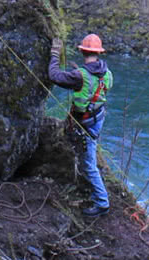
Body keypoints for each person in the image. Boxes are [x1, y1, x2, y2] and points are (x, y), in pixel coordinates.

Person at [49, 33, 113, 217]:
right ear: (99, 53)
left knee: (88, 163)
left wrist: (54, 54)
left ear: (82, 50)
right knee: (84, 150)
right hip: (97, 118)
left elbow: (54, 75)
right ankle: (85, 182)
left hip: (84, 122)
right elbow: (96, 88)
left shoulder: (80, 76)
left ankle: (102, 203)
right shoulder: (107, 73)